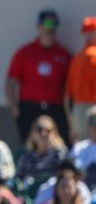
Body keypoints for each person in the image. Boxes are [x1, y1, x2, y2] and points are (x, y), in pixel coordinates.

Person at [6, 9, 72, 143]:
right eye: (46, 23)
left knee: (58, 144)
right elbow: (11, 82)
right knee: (29, 146)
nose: (50, 28)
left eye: (53, 24)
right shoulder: (25, 52)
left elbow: (69, 88)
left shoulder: (64, 55)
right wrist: (15, 109)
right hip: (29, 108)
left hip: (55, 108)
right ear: (38, 26)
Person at [66, 17, 96, 143]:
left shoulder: (77, 58)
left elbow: (67, 96)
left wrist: (71, 123)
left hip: (78, 112)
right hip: (93, 109)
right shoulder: (93, 55)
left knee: (82, 149)